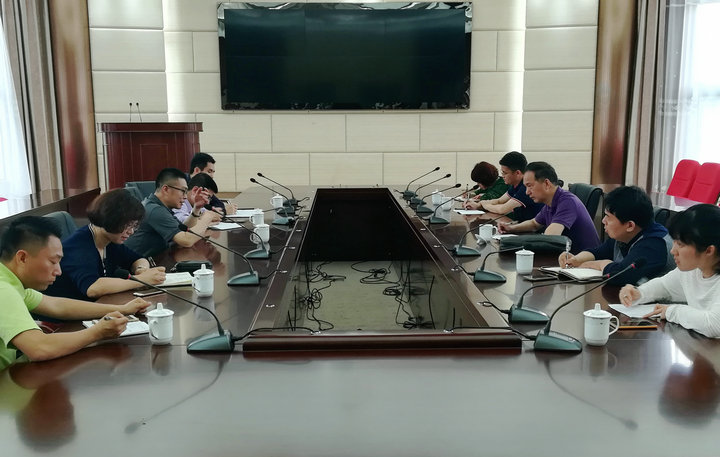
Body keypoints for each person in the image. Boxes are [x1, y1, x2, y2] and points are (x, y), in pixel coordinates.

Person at [0, 216, 150, 370]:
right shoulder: (4, 289)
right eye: (53, 262)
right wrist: (97, 333)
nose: (58, 271)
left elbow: (57, 305)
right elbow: (39, 348)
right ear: (22, 258)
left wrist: (123, 309)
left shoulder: (12, 281)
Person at [45, 189, 166, 301]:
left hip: (99, 305)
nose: (131, 231)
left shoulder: (109, 240)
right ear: (111, 220)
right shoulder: (79, 247)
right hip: (70, 313)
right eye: (127, 226)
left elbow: (137, 259)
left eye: (134, 226)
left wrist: (141, 270)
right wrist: (141, 280)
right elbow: (92, 288)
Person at [620, 204, 720, 338]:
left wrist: (671, 311)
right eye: (674, 242)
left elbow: (714, 325)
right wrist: (639, 293)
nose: (673, 251)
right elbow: (664, 286)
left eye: (681, 244)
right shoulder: (693, 270)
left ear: (709, 250)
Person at [558, 186, 673, 285]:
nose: (603, 221)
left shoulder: (655, 244)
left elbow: (621, 275)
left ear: (630, 225)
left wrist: (600, 264)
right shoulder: (625, 235)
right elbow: (599, 251)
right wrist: (575, 259)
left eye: (608, 217)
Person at [497, 161, 600, 253]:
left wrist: (512, 242)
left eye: (530, 186)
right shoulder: (551, 201)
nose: (527, 192)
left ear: (546, 184)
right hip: (567, 259)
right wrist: (510, 228)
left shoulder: (568, 201)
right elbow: (534, 224)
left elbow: (550, 238)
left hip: (583, 263)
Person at [125, 168, 221, 258]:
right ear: (166, 189)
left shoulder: (161, 206)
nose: (185, 197)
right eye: (183, 191)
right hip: (137, 265)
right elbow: (186, 240)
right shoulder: (155, 210)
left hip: (157, 259)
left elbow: (184, 229)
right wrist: (207, 217)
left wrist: (196, 209)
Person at [464, 151, 544, 222]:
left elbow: (502, 209)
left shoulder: (525, 187)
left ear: (517, 173)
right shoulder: (515, 185)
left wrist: (483, 205)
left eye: (505, 173)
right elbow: (499, 201)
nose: (502, 176)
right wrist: (478, 205)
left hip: (534, 230)